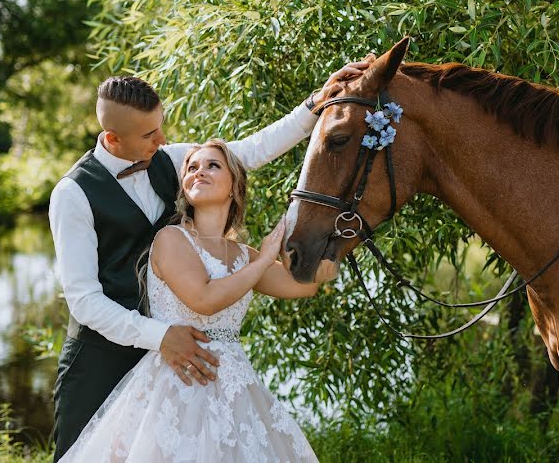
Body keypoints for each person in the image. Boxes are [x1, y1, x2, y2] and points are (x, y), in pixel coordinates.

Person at [49, 59, 372, 460]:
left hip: (186, 359)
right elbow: (83, 300)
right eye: (151, 134)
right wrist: (160, 336)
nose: (163, 139)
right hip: (101, 357)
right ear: (113, 140)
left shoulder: (170, 159)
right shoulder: (72, 194)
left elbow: (249, 152)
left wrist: (314, 105)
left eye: (161, 125)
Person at [61, 139, 326, 461]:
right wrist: (264, 259)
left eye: (212, 165)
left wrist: (316, 233)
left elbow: (306, 284)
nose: (199, 172)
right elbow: (204, 299)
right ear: (183, 188)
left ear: (235, 186)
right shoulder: (171, 239)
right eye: (191, 167)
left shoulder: (244, 255)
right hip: (175, 384)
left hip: (234, 389)